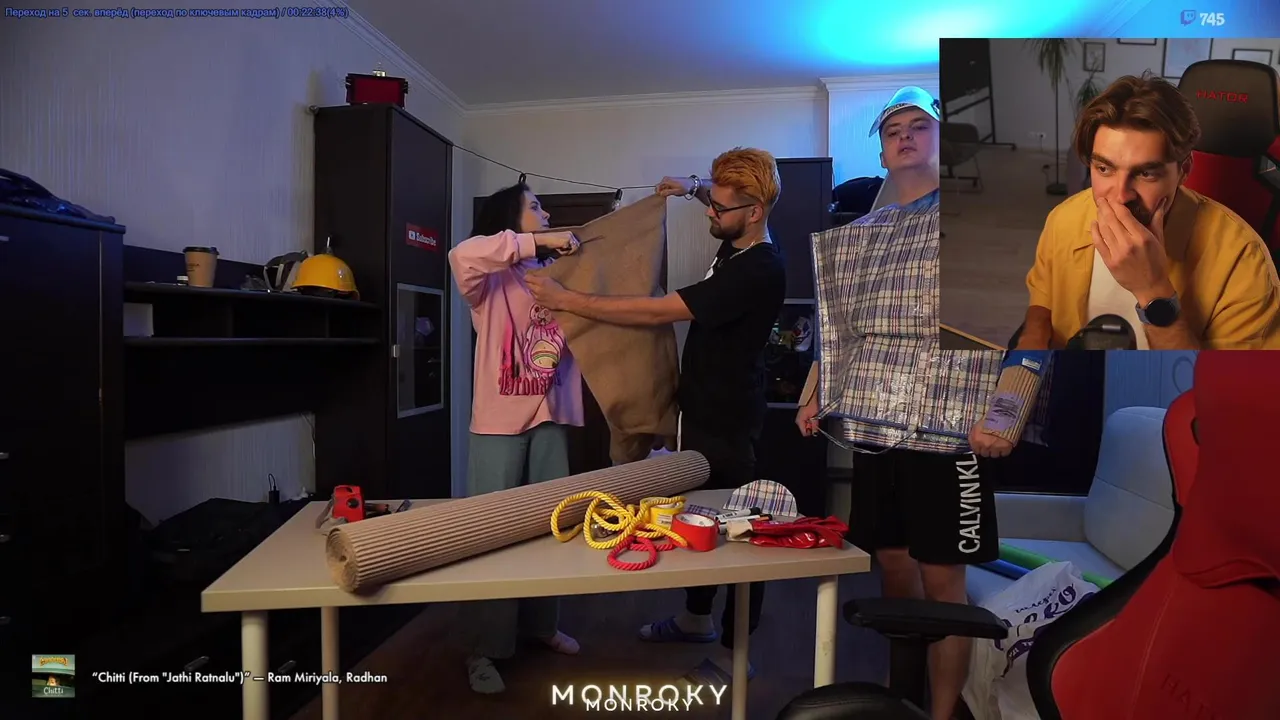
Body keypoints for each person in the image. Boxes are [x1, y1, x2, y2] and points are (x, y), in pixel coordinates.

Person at [526, 148, 787, 686]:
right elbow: (718, 201)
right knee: (700, 518)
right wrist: (693, 187)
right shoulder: (740, 240)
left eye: (719, 208)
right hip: (701, 411)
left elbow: (656, 310)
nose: (710, 212)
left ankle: (736, 657)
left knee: (741, 532)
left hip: (728, 421)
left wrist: (567, 298)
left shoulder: (759, 269)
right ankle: (696, 620)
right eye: (711, 202)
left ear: (754, 212)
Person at [795, 87, 1002, 720]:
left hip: (952, 426)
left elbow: (1009, 323)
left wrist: (1001, 411)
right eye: (893, 131)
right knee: (889, 559)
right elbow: (840, 326)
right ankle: (901, 695)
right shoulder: (862, 235)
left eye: (919, 125)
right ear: (883, 152)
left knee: (942, 574)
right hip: (878, 420)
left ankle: (941, 713)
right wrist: (815, 391)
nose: (905, 135)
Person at [1017, 73, 1280, 350]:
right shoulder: (1064, 219)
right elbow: (1043, 295)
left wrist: (1152, 289)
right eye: (1104, 168)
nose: (1120, 196)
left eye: (1146, 173)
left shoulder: (1243, 259)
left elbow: (1224, 377)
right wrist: (1033, 335)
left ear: (1183, 170)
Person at [446, 181, 584, 694]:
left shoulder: (555, 278)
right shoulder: (487, 278)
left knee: (551, 526)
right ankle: (483, 649)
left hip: (550, 417)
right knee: (492, 535)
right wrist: (539, 241)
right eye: (535, 206)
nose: (545, 213)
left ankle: (541, 626)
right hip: (499, 423)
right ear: (510, 217)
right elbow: (461, 253)